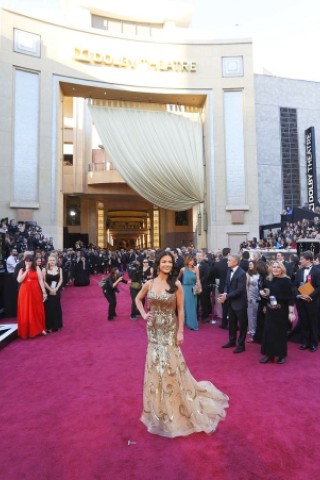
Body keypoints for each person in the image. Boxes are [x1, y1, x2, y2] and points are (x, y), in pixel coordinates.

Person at [135, 250, 229, 438]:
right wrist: (145, 314)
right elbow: (138, 299)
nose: (167, 265)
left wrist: (180, 331)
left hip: (169, 329)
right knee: (154, 366)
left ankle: (175, 402)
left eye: (169, 262)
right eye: (164, 262)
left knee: (170, 366)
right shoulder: (150, 283)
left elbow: (181, 310)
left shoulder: (176, 284)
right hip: (153, 331)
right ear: (158, 264)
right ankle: (158, 407)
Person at [259, 261, 295, 364]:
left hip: (281, 311)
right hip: (270, 310)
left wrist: (291, 313)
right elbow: (263, 290)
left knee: (280, 334)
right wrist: (262, 293)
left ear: (282, 269)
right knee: (268, 332)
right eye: (273, 267)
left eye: (278, 267)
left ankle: (281, 355)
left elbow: (290, 298)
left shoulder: (286, 281)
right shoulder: (268, 279)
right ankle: (269, 355)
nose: (275, 269)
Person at [218, 253, 248, 353]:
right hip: (231, 302)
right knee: (232, 323)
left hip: (240, 303)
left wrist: (227, 296)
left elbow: (240, 290)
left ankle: (241, 345)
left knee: (242, 325)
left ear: (235, 262)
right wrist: (225, 293)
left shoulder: (242, 273)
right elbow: (227, 284)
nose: (227, 261)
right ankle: (232, 341)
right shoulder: (228, 270)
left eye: (229, 260)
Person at [293, 250, 320, 353]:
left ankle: (313, 343)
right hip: (301, 301)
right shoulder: (299, 271)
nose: (300, 261)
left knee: (313, 322)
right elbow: (295, 285)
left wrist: (309, 296)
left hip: (312, 302)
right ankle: (305, 342)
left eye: (302, 259)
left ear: (308, 260)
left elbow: (318, 287)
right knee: (304, 322)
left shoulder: (317, 271)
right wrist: (298, 294)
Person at [17, 254, 47, 339]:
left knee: (37, 310)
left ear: (32, 261)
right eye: (27, 260)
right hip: (24, 292)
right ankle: (27, 330)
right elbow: (19, 280)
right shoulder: (21, 269)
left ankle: (40, 328)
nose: (28, 262)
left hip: (35, 291)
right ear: (24, 261)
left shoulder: (37, 268)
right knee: (26, 310)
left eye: (30, 261)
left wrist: (44, 292)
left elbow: (41, 281)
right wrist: (26, 271)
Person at [178, 255, 201, 330]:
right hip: (185, 289)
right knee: (187, 306)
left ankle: (189, 321)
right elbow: (178, 278)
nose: (192, 262)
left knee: (193, 306)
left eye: (193, 260)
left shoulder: (196, 268)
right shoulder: (183, 269)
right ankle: (192, 324)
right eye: (191, 260)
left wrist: (199, 287)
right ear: (187, 261)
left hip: (193, 288)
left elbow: (198, 279)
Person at [42, 254, 63, 332]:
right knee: (49, 308)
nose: (52, 262)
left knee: (57, 307)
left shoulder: (59, 269)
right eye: (50, 260)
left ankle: (56, 325)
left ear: (56, 261)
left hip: (56, 291)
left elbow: (61, 280)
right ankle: (49, 326)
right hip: (48, 291)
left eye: (53, 260)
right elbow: (43, 281)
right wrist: (50, 289)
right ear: (48, 261)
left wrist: (56, 288)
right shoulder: (44, 269)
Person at [213, 247, 230, 329]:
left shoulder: (218, 264)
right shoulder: (232, 264)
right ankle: (233, 323)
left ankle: (224, 323)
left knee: (224, 306)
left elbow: (216, 276)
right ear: (229, 254)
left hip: (222, 286)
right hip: (231, 287)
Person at [196, 250, 211, 323]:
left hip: (203, 286)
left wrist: (198, 282)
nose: (198, 257)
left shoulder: (206, 265)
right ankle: (196, 316)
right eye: (197, 256)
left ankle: (204, 317)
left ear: (203, 257)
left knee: (204, 302)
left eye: (200, 256)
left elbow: (206, 276)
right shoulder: (193, 264)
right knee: (195, 302)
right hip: (194, 287)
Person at [246, 260, 260, 342]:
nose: (249, 266)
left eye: (251, 264)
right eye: (249, 264)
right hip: (251, 296)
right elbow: (246, 286)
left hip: (259, 295)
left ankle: (257, 329)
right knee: (251, 314)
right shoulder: (247, 274)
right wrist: (248, 296)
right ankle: (252, 331)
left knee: (257, 313)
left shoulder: (259, 273)